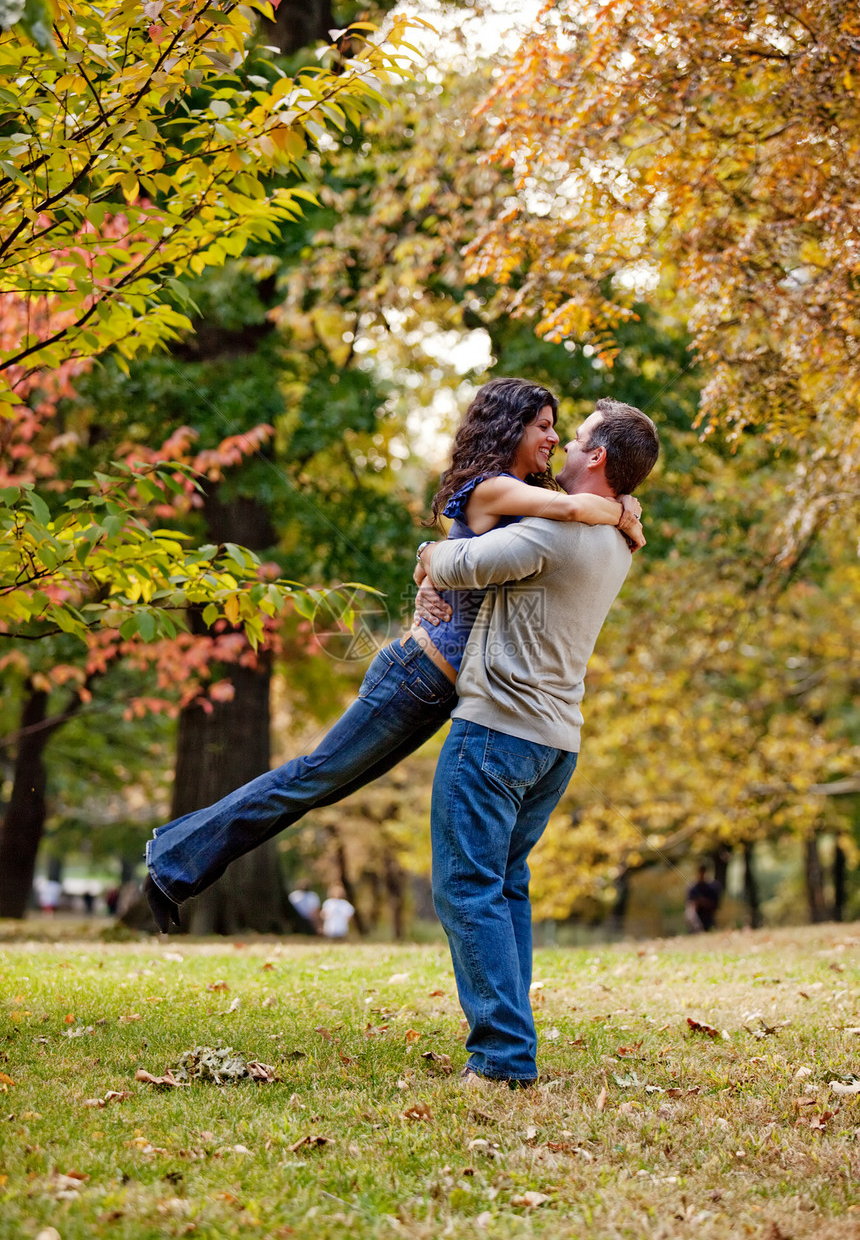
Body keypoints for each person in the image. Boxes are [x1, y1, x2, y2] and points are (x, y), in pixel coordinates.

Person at [143, 379, 645, 932]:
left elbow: (515, 539)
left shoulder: (529, 494)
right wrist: (622, 511)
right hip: (415, 674)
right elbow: (574, 510)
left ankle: (174, 850)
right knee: (311, 777)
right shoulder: (498, 488)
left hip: (438, 690)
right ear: (511, 428)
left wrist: (428, 559)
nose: (553, 437)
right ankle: (173, 864)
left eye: (558, 428)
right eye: (543, 426)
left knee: (322, 785)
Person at [419, 397, 660, 1086]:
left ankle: (501, 1058)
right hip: (555, 743)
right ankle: (510, 1045)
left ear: (598, 457)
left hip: (497, 732)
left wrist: (428, 552)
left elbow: (454, 566)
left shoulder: (553, 537)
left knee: (468, 889)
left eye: (576, 436)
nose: (563, 443)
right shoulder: (618, 536)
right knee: (506, 888)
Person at [685, 863, 722, 932]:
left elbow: (715, 905)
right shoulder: (692, 887)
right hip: (696, 917)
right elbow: (691, 904)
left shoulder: (712, 887)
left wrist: (702, 902)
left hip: (708, 917)